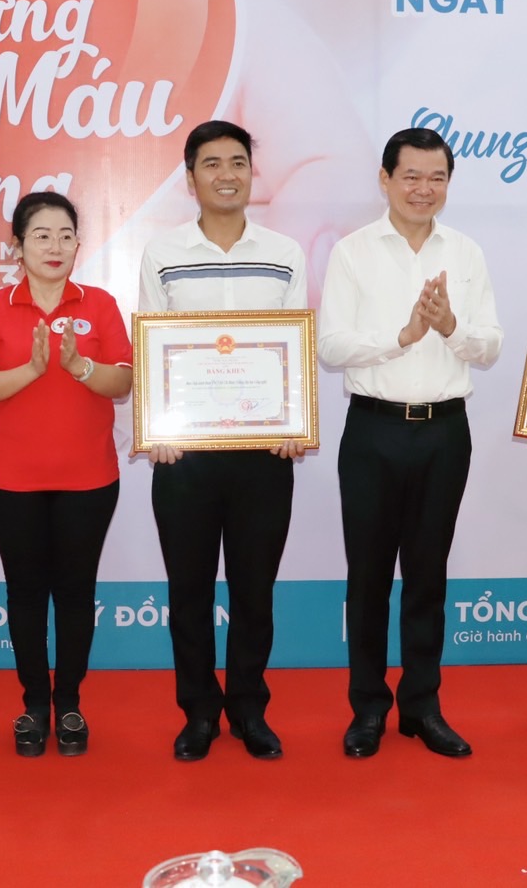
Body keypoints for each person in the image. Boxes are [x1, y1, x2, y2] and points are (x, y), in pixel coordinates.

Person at [317, 127, 502, 759]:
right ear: (386, 180)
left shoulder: (467, 253)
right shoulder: (352, 252)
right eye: (412, 176)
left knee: (428, 576)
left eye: (437, 178)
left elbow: (490, 346)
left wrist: (449, 326)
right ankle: (368, 708)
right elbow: (331, 346)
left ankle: (422, 707)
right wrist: (402, 336)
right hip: (373, 430)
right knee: (368, 578)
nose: (424, 189)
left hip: (445, 432)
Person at [137, 121, 309, 762]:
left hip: (263, 455)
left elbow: (295, 344)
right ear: (190, 179)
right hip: (184, 457)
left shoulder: (285, 252)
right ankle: (199, 714)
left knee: (253, 593)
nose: (226, 174)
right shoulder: (162, 253)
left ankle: (249, 710)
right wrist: (157, 428)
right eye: (211, 164)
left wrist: (293, 424)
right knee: (188, 593)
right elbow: (150, 343)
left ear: (251, 173)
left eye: (238, 161)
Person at [0, 191, 133, 757]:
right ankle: (35, 704)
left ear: (79, 244)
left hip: (89, 478)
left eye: (65, 235)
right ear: (17, 246)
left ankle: (71, 703)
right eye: (41, 235)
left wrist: (79, 366)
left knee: (77, 592)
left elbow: (122, 381)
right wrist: (33, 370)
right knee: (27, 593)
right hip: (11, 480)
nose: (54, 246)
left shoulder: (100, 305)